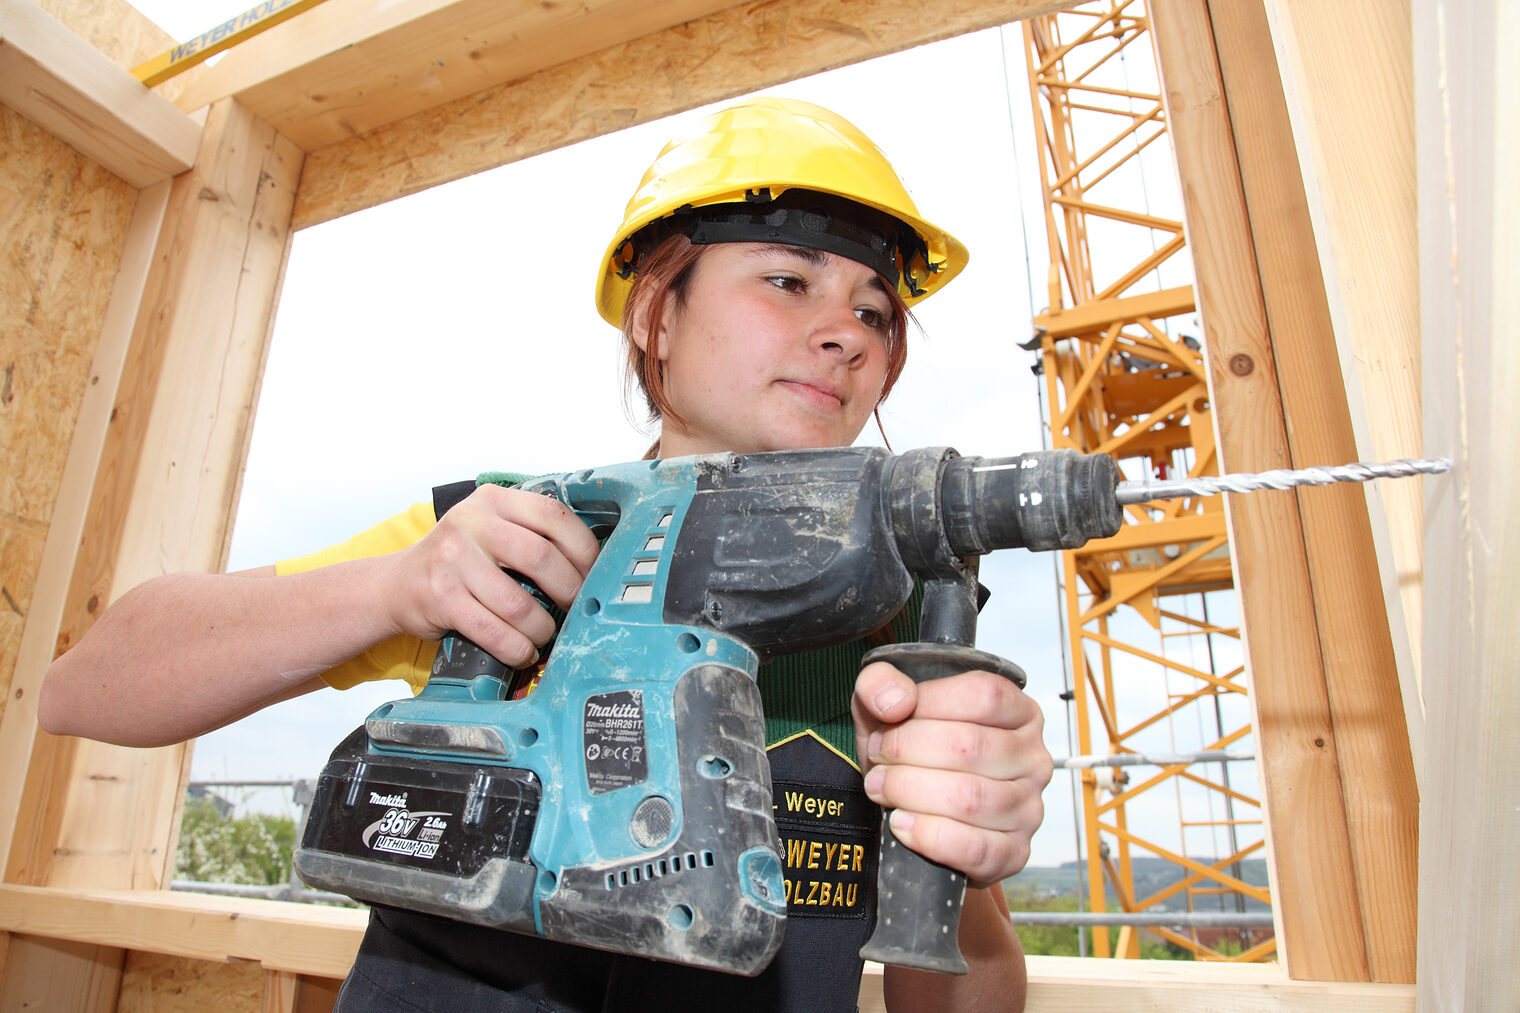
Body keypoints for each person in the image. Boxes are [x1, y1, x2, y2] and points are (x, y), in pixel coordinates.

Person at [39, 97, 1052, 1012]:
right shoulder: (517, 537)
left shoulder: (898, 628)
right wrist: (397, 586)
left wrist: (960, 845)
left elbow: (972, 980)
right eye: (788, 280)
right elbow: (86, 689)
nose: (846, 334)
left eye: (874, 311)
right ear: (657, 313)